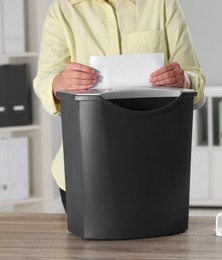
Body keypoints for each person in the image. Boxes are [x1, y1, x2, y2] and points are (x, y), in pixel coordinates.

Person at [33, 0, 206, 211]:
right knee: (90, 243)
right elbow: (44, 79)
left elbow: (194, 78)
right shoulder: (63, 9)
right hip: (87, 171)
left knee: (162, 243)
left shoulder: (162, 4)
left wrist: (184, 80)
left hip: (156, 168)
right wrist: (60, 82)